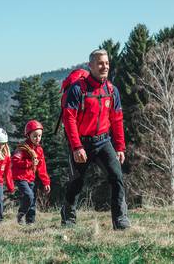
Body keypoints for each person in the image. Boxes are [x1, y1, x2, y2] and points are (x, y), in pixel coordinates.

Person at [61, 49, 131, 230]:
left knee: (116, 176)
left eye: (107, 63)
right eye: (100, 63)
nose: (104, 67)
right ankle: (68, 218)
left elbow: (117, 120)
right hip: (81, 143)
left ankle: (120, 219)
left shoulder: (112, 90)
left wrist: (120, 147)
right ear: (90, 65)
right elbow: (69, 119)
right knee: (76, 182)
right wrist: (76, 147)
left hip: (103, 142)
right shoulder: (78, 90)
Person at [12, 120, 50, 225]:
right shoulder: (22, 148)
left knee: (32, 201)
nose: (38, 139)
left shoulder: (39, 150)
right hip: (21, 177)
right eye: (35, 136)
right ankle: (21, 214)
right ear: (28, 135)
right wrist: (30, 162)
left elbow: (42, 168)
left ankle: (30, 222)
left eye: (40, 136)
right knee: (29, 196)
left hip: (31, 177)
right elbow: (15, 161)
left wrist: (46, 182)